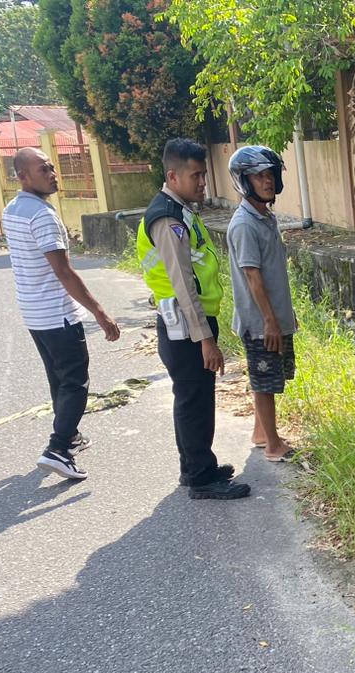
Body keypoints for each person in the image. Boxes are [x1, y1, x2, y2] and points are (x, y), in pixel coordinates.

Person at [137, 137, 249, 500]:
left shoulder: (179, 210)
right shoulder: (168, 219)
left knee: (196, 397)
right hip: (184, 329)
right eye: (197, 176)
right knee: (193, 399)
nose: (203, 182)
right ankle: (201, 478)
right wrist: (206, 339)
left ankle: (196, 466)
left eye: (204, 175)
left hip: (185, 325)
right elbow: (183, 285)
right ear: (173, 176)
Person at [2, 147, 120, 481]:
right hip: (57, 315)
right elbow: (64, 272)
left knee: (58, 379)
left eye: (52, 168)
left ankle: (68, 437)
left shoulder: (13, 210)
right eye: (43, 169)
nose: (52, 174)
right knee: (75, 382)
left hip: (34, 314)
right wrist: (99, 312)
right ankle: (57, 449)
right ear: (23, 176)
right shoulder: (42, 216)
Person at [226, 145, 297, 462]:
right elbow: (253, 276)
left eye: (270, 175)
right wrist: (269, 321)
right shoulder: (244, 224)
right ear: (245, 181)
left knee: (266, 378)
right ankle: (272, 445)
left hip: (273, 319)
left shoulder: (264, 217)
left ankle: (260, 433)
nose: (267, 181)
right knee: (266, 382)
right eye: (259, 176)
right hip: (260, 323)